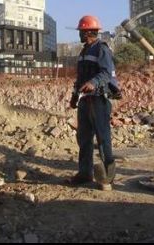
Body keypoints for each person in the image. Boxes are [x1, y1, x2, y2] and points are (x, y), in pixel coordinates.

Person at [66, 15, 118, 188]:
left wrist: (93, 83)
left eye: (81, 31)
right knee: (84, 138)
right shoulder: (84, 52)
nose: (80, 34)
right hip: (85, 101)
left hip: (99, 100)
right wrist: (74, 96)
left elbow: (106, 73)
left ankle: (107, 178)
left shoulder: (101, 49)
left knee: (103, 139)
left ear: (88, 32)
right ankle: (85, 173)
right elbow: (80, 78)